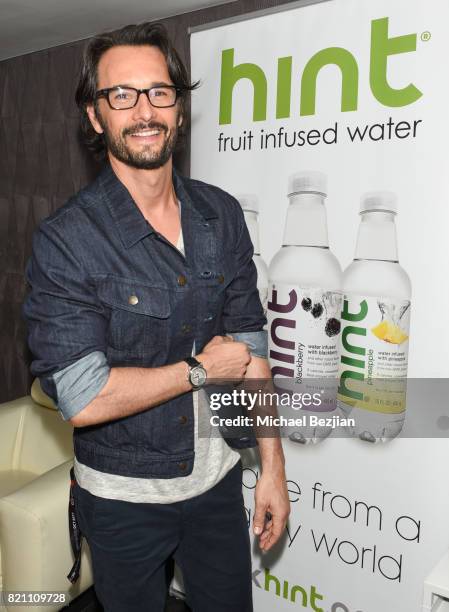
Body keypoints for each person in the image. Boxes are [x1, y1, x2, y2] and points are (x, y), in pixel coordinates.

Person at [22, 21, 290, 612]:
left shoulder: (220, 214)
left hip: (217, 481)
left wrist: (272, 466)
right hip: (121, 500)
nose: (144, 110)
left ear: (180, 108)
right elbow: (83, 397)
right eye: (122, 95)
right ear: (96, 117)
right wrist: (197, 369)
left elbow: (252, 356)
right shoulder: (67, 240)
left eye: (159, 92)